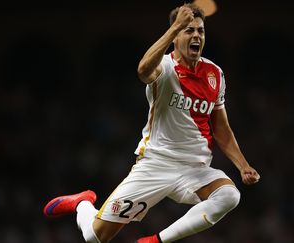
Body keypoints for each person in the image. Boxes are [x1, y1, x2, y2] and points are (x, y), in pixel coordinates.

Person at [43, 3, 260, 243]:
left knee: (230, 195)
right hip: (155, 165)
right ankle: (82, 203)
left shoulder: (214, 74)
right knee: (95, 237)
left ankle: (156, 241)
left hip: (194, 169)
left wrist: (243, 165)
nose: (196, 35)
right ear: (175, 36)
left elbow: (220, 127)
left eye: (200, 30)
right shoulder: (165, 67)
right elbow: (143, 70)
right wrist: (175, 26)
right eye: (188, 30)